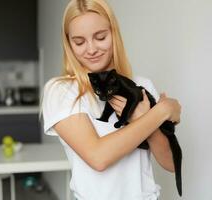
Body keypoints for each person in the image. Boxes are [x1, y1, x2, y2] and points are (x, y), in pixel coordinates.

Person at [41, 0, 181, 199]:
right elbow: (98, 158)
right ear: (69, 44)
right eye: (79, 42)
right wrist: (160, 112)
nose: (91, 49)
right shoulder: (62, 91)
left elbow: (171, 163)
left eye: (100, 37)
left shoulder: (142, 85)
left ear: (114, 33)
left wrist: (146, 120)